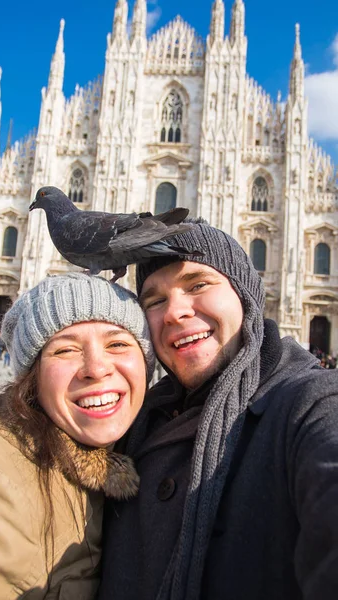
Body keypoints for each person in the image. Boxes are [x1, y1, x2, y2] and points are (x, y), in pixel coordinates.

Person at [99, 219, 338, 600]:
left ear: (244, 296)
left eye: (198, 284)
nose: (175, 311)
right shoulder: (127, 421)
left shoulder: (308, 404)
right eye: (155, 301)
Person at [0, 273, 155, 599]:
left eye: (118, 344)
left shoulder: (113, 454)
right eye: (65, 350)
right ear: (32, 376)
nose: (96, 368)